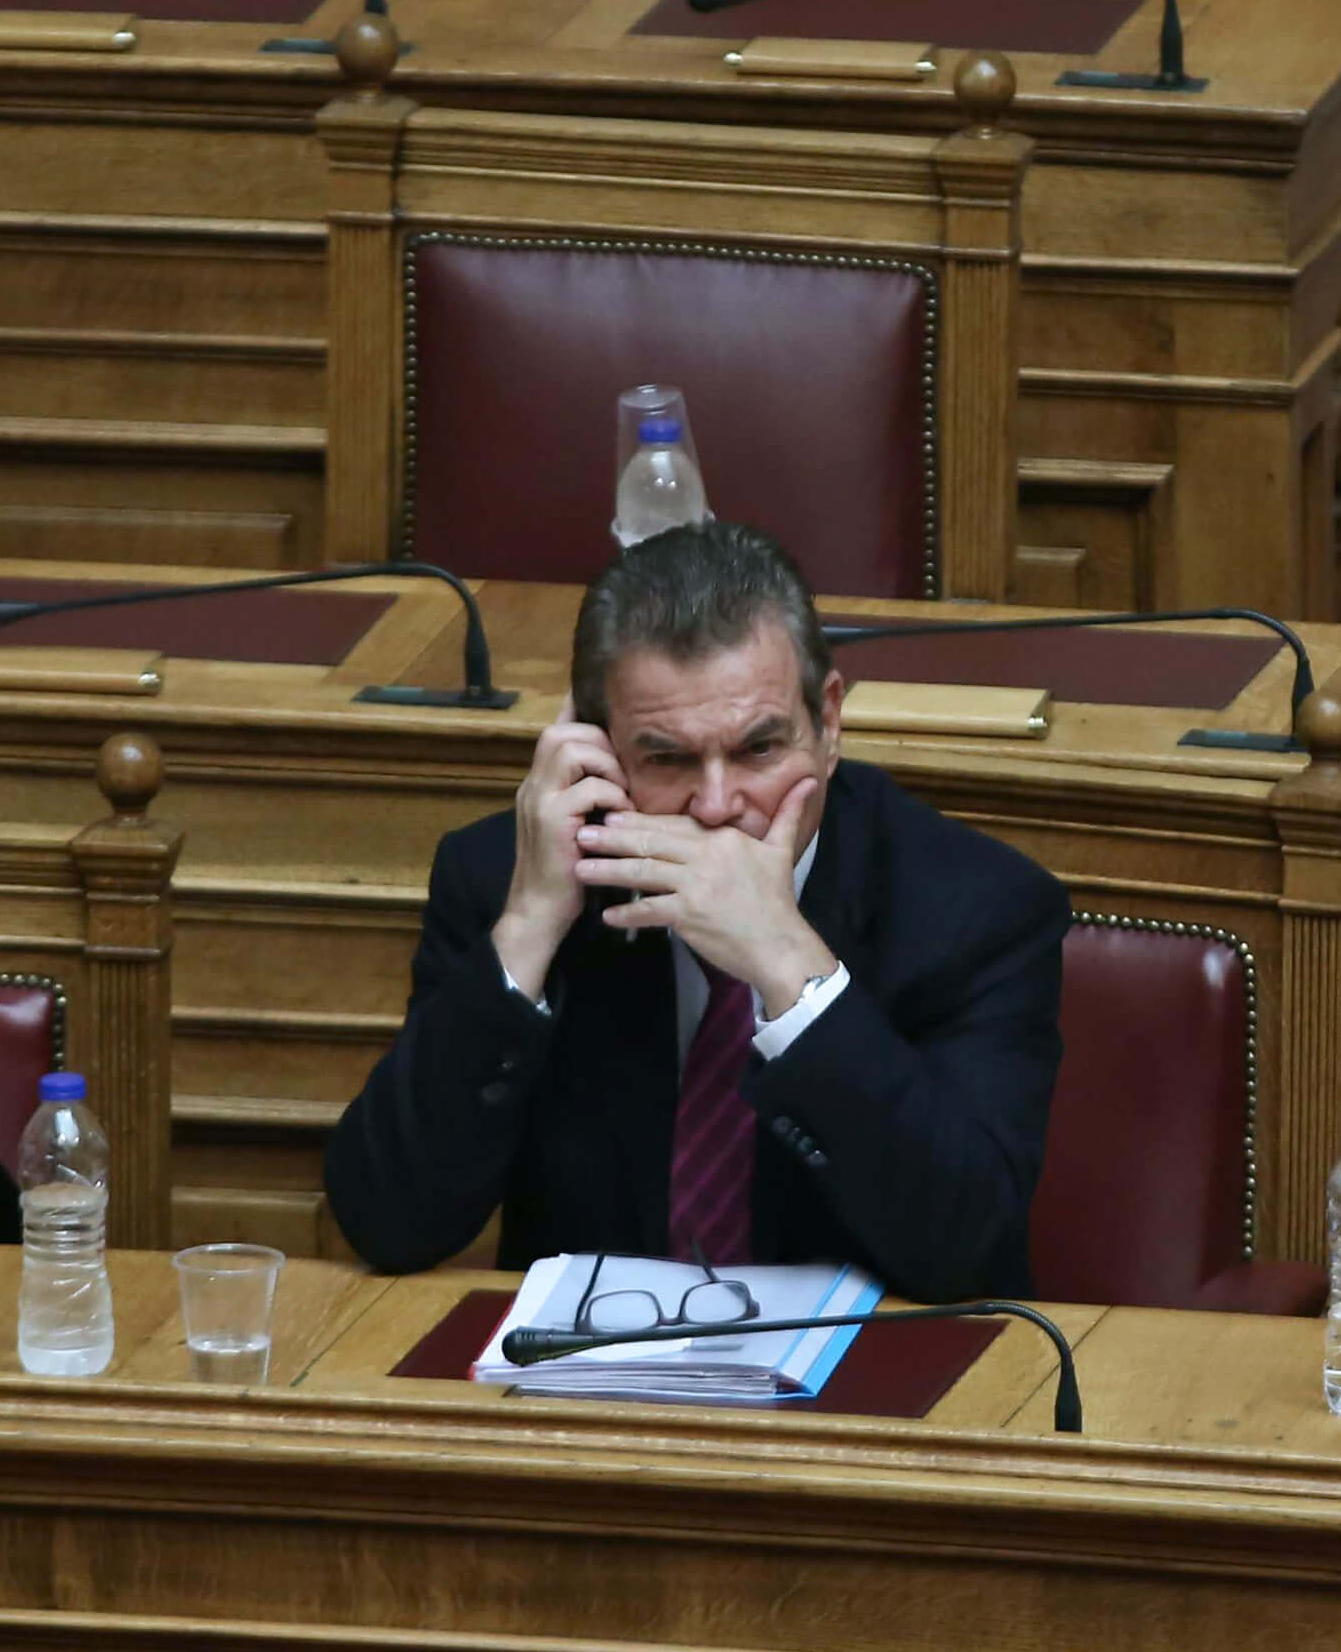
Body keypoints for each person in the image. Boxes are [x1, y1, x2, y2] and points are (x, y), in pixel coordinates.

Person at [327, 520, 1066, 1299]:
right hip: (584, 1369)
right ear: (593, 746)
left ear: (828, 723)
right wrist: (530, 923)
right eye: (668, 758)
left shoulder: (975, 908)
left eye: (758, 750)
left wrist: (789, 964)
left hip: (874, 1363)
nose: (716, 806)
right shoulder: (506, 879)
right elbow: (388, 1223)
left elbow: (966, 1249)